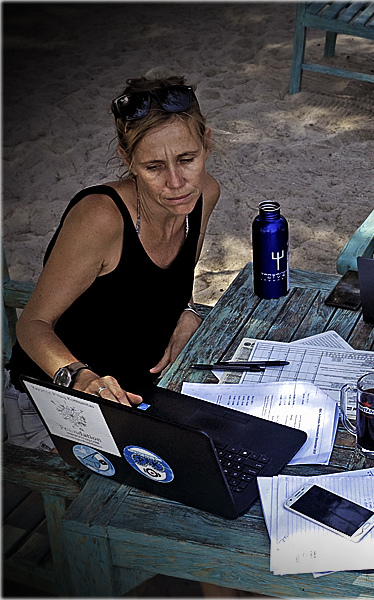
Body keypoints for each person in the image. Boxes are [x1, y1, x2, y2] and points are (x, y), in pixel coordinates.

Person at [5, 75, 220, 451]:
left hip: (138, 398)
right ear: (128, 160)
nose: (176, 182)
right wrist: (80, 378)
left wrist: (187, 311)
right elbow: (32, 325)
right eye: (154, 166)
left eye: (187, 159)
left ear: (207, 142)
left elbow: (175, 284)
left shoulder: (204, 194)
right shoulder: (100, 217)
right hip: (54, 403)